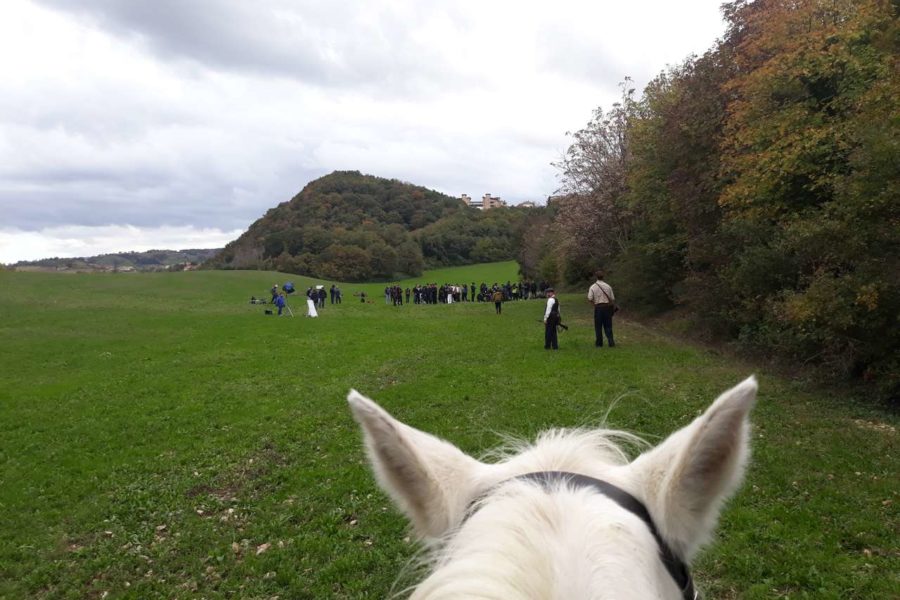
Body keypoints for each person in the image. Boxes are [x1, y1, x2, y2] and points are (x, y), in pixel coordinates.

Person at [587, 270, 616, 347]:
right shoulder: (608, 286)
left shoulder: (592, 287)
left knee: (598, 326)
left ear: (596, 277)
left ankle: (599, 343)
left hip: (598, 308)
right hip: (607, 308)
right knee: (608, 326)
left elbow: (590, 298)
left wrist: (594, 305)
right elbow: (612, 298)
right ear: (603, 277)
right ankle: (611, 342)